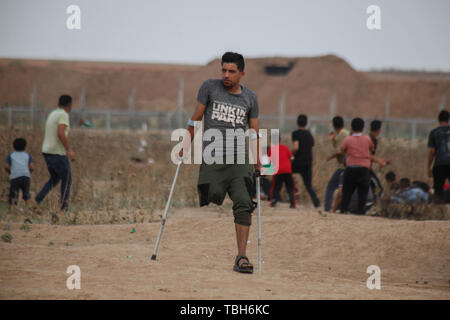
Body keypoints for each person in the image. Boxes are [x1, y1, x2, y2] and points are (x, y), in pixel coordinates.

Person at [180, 52, 260, 274]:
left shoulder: (250, 98)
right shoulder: (209, 87)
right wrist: (186, 143)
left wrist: (257, 159)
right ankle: (217, 191)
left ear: (241, 74)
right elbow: (196, 117)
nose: (226, 75)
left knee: (244, 202)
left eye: (231, 71)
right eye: (223, 70)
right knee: (212, 195)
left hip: (239, 158)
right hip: (213, 155)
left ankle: (242, 256)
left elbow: (253, 131)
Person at [35, 95, 76, 218]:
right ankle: (63, 208)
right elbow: (61, 133)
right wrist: (69, 150)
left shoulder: (53, 113)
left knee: (55, 178)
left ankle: (37, 200)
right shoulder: (63, 115)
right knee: (67, 179)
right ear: (69, 105)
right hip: (57, 152)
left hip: (47, 151)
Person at [339, 117, 374, 215]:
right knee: (362, 192)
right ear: (363, 128)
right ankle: (361, 211)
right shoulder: (367, 139)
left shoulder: (348, 139)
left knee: (347, 192)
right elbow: (372, 148)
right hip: (364, 169)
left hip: (351, 168)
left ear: (351, 127)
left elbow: (342, 150)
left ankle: (343, 210)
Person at [291, 114, 320, 208]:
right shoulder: (310, 135)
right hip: (308, 162)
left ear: (297, 122)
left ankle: (294, 192)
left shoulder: (295, 133)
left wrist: (290, 154)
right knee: (308, 185)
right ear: (306, 123)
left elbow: (296, 147)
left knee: (286, 174)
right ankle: (316, 202)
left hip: (297, 162)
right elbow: (312, 149)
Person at [324, 116, 349, 211]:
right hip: (347, 165)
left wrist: (331, 156)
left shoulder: (341, 135)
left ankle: (327, 207)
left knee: (331, 186)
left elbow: (341, 151)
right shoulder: (345, 133)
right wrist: (333, 140)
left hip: (343, 166)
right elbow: (338, 147)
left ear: (334, 126)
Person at [4, 138, 34, 211]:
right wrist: (28, 172)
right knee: (26, 194)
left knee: (13, 195)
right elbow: (32, 167)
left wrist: (11, 172)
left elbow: (6, 166)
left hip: (15, 177)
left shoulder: (11, 155)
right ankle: (29, 209)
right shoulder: (27, 155)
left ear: (13, 146)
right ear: (25, 146)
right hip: (26, 177)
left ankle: (11, 210)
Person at [427, 110, 450, 203]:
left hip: (439, 164)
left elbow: (432, 151)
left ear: (438, 120)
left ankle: (439, 213)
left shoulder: (434, 132)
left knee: (438, 190)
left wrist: (428, 167)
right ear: (449, 119)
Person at [268, 136, 296, 208]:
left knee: (275, 188)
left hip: (278, 172)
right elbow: (292, 158)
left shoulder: (271, 149)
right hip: (287, 171)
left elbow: (269, 161)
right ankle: (293, 204)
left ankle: (273, 202)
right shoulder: (285, 148)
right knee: (290, 188)